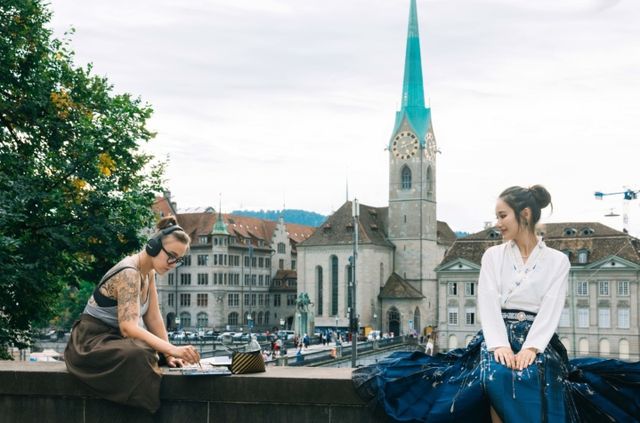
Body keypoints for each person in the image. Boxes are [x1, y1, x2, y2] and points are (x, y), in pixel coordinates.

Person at [353, 185, 640, 423]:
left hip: (537, 337)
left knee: (536, 374)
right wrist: (499, 345)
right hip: (495, 335)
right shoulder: (493, 256)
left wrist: (531, 347)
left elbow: (551, 309)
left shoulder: (557, 260)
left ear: (524, 215)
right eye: (496, 216)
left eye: (503, 216)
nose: (497, 223)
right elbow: (487, 303)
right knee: (496, 374)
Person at [65, 216, 201, 413]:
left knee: (148, 352)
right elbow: (128, 328)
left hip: (112, 340)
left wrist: (168, 353)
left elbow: (153, 318)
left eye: (178, 260)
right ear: (153, 246)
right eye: (170, 256)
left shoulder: (148, 272)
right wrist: (173, 349)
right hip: (90, 342)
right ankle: (146, 410)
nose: (172, 264)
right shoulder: (129, 272)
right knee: (141, 353)